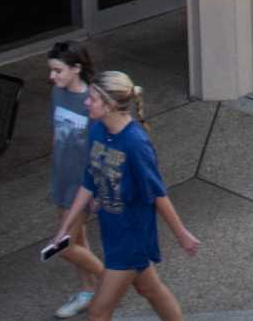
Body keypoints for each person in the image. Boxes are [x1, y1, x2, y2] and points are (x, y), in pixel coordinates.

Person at [50, 71, 198, 321]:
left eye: (93, 99)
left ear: (108, 105)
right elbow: (88, 182)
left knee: (98, 312)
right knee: (149, 289)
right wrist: (65, 228)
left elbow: (157, 194)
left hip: (132, 236)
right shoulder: (97, 130)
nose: (86, 102)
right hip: (112, 230)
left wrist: (181, 234)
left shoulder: (135, 143)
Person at [43, 42, 108, 318]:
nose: (52, 77)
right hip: (61, 179)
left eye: (58, 71)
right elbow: (56, 136)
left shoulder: (92, 103)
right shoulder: (57, 94)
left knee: (64, 245)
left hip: (82, 185)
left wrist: (96, 191)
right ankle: (87, 292)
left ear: (76, 68)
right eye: (52, 71)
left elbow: (101, 152)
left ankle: (113, 282)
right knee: (78, 241)